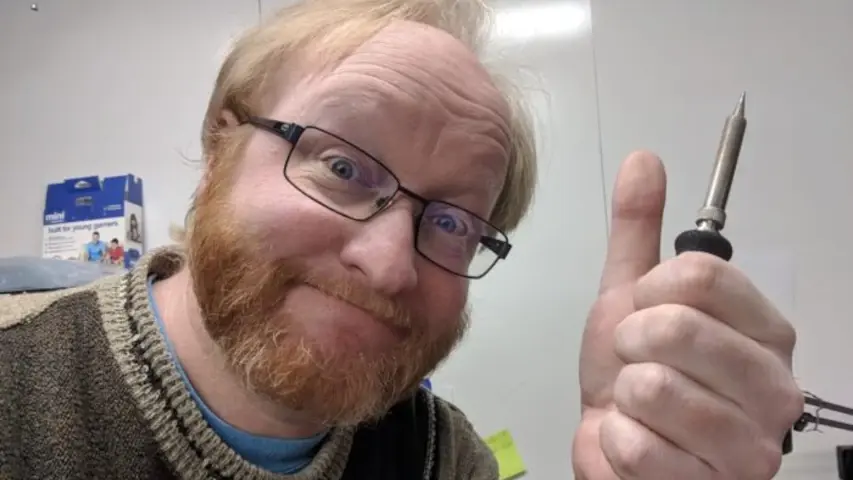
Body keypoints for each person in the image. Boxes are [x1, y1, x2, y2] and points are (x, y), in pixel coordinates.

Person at [0, 0, 803, 479]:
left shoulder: (443, 461)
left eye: (451, 222)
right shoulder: (16, 389)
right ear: (218, 147)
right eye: (342, 165)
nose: (387, 265)